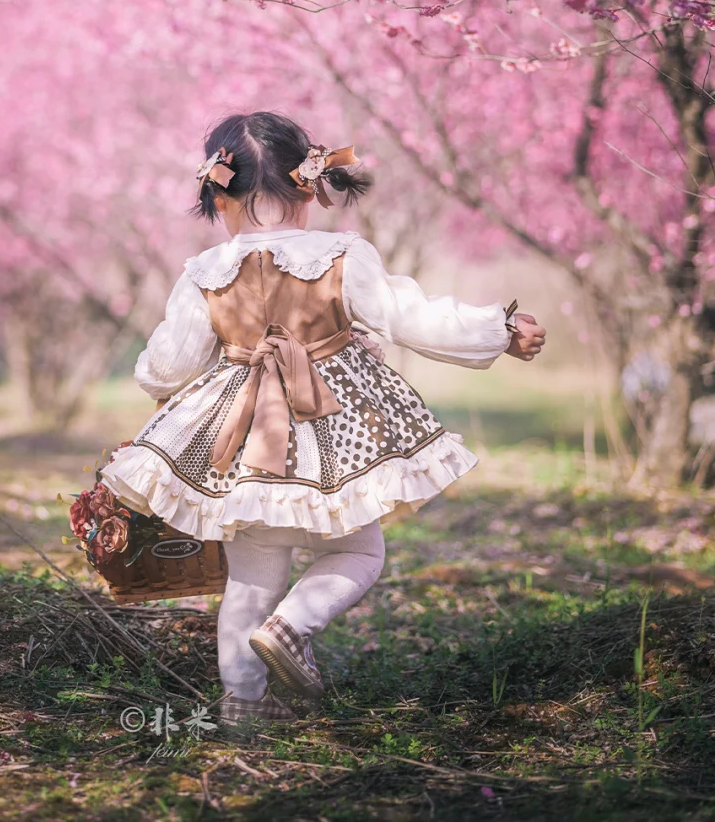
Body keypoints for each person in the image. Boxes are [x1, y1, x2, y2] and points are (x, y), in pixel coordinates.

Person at [101, 111, 546, 726]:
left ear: (218, 197)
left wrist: (176, 369)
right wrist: (497, 328)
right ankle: (292, 625)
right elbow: (412, 316)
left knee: (250, 581)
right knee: (359, 554)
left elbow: (166, 367)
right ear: (307, 185)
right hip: (336, 436)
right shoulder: (341, 254)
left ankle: (241, 708)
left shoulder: (203, 273)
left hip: (243, 443)